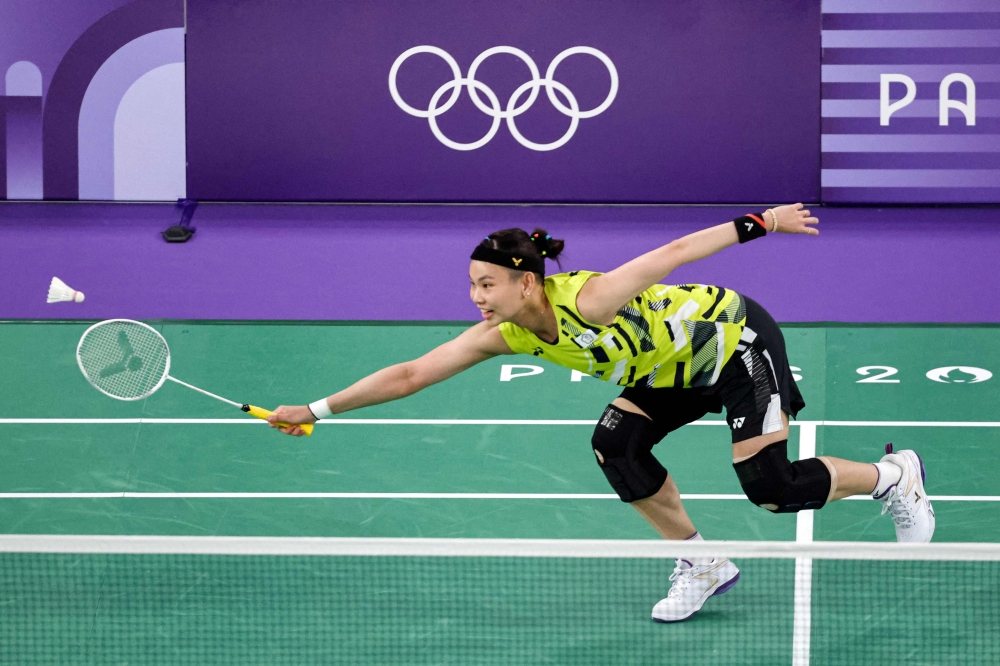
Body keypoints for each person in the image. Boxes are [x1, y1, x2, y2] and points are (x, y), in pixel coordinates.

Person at [268, 204, 935, 622]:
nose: (476, 297)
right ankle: (701, 562)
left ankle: (893, 477)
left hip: (733, 344)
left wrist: (762, 221)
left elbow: (671, 254)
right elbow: (412, 374)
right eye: (473, 285)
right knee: (615, 446)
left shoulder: (589, 300)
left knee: (772, 491)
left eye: (486, 284)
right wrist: (316, 410)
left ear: (526, 280)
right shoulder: (506, 331)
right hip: (667, 369)